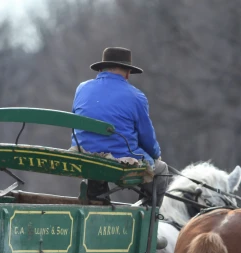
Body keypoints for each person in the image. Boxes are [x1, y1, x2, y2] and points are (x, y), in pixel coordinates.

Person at [70, 47, 169, 203]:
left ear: (101, 68)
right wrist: (156, 155)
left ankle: (96, 196)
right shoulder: (136, 96)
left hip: (84, 154)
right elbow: (146, 137)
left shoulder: (82, 88)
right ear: (128, 73)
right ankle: (148, 216)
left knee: (95, 151)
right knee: (162, 169)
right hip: (119, 159)